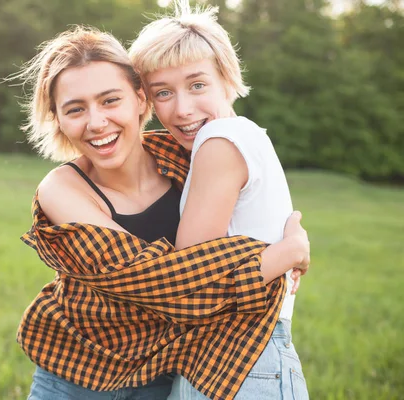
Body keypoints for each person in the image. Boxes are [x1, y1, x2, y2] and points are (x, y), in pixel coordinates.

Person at [6, 26, 310, 400]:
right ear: (58, 118)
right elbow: (161, 285)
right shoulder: (63, 189)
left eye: (109, 100)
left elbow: (252, 210)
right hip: (79, 380)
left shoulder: (189, 155)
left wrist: (282, 240)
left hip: (170, 378)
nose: (96, 122)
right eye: (75, 109)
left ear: (139, 97)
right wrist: (284, 253)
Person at [129, 1, 309, 399]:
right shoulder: (244, 137)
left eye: (197, 85)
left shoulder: (219, 141)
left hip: (242, 356)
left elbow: (191, 281)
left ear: (227, 78)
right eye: (163, 92)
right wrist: (291, 249)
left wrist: (293, 249)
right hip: (231, 356)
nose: (182, 109)